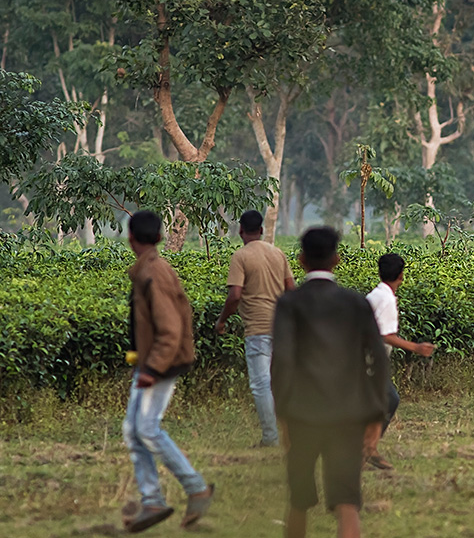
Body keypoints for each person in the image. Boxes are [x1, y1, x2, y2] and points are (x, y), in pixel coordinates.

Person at [272, 228, 389, 538]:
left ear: (300, 260)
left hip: (302, 413)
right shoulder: (355, 303)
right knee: (347, 500)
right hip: (348, 414)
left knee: (298, 500)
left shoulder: (289, 303)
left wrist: (281, 411)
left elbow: (281, 362)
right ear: (337, 259)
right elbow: (379, 359)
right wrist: (375, 412)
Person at [122, 210, 213, 533]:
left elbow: (170, 330)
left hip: (160, 364)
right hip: (153, 362)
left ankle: (195, 487)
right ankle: (151, 500)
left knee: (145, 429)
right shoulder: (149, 269)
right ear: (160, 238)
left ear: (130, 238)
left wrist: (153, 368)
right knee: (134, 431)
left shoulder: (153, 273)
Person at [214, 209, 296, 446]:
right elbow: (291, 289)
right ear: (262, 230)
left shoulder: (240, 257)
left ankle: (270, 437)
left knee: (261, 385)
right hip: (282, 328)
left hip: (258, 329)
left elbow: (234, 296)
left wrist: (222, 321)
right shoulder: (278, 254)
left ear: (240, 230)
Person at [363, 253, 436, 470]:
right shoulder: (387, 300)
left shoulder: (375, 295)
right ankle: (367, 448)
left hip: (364, 358)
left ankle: (366, 448)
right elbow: (385, 335)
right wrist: (417, 348)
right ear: (401, 276)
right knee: (389, 399)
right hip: (371, 360)